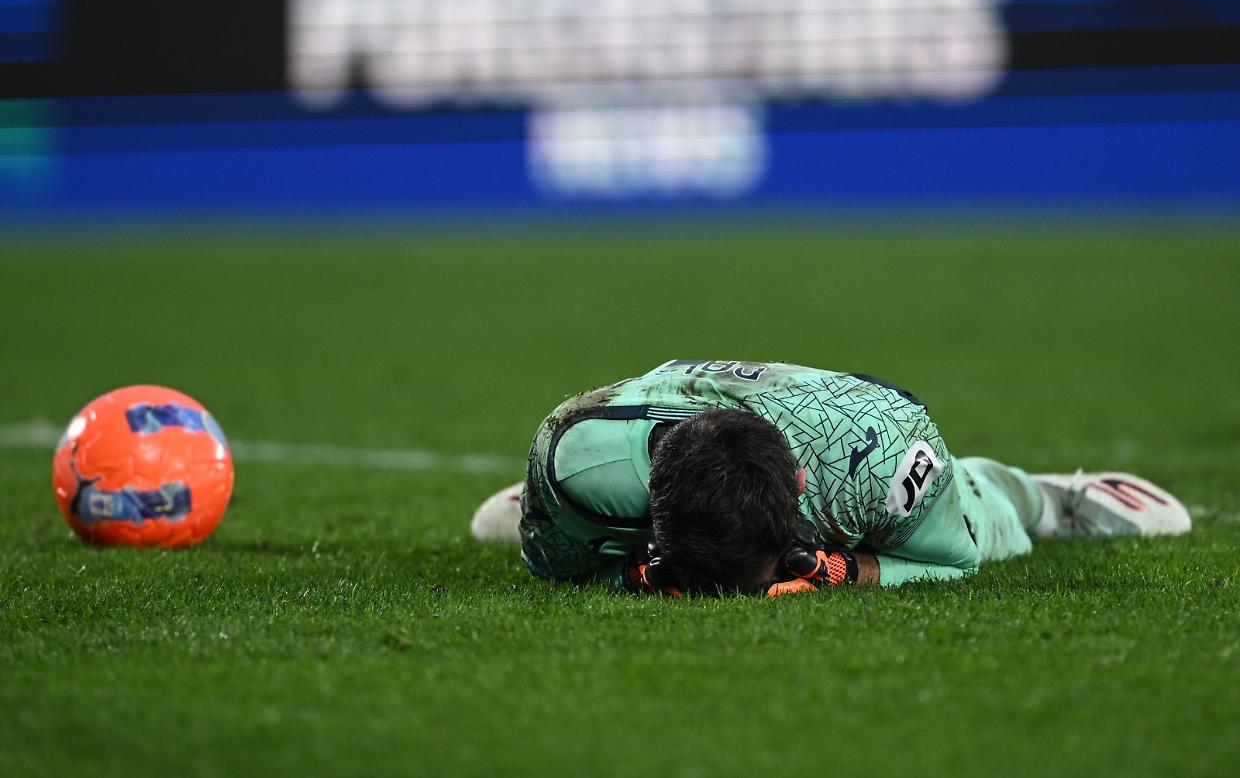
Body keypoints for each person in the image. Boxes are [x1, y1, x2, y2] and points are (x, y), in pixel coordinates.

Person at [471, 359, 1191, 596]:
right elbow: (558, 569)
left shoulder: (883, 462)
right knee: (561, 551)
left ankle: (1057, 497)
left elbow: (956, 562)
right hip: (629, 478)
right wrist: (619, 564)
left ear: (800, 487)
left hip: (865, 424)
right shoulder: (573, 459)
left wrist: (845, 569)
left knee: (988, 522)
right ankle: (583, 527)